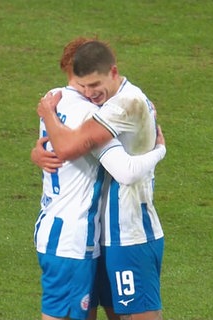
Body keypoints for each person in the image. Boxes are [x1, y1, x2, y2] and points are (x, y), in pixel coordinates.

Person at [33, 38, 166, 320]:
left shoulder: (63, 101)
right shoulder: (91, 110)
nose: (90, 92)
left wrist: (44, 132)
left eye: (95, 84)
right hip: (92, 235)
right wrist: (160, 151)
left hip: (129, 232)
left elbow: (70, 148)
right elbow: (67, 147)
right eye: (84, 85)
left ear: (112, 71)